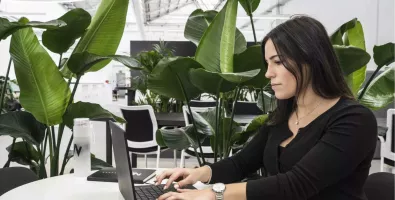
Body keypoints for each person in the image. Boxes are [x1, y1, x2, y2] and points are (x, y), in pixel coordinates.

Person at [155, 15, 378, 200]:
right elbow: (242, 163)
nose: (268, 73)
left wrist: (215, 193)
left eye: (278, 62)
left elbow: (296, 184)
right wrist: (197, 174)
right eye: (268, 63)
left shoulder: (354, 120)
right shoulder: (283, 115)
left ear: (311, 59)